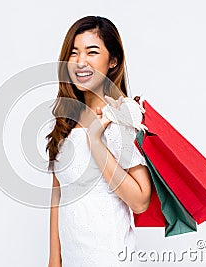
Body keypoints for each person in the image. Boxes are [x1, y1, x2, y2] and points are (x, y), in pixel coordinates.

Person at [46, 16, 152, 266]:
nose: (80, 61)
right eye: (74, 53)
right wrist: (53, 261)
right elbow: (58, 196)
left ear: (112, 61)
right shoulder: (66, 120)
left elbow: (140, 201)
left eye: (91, 52)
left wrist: (95, 141)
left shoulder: (120, 115)